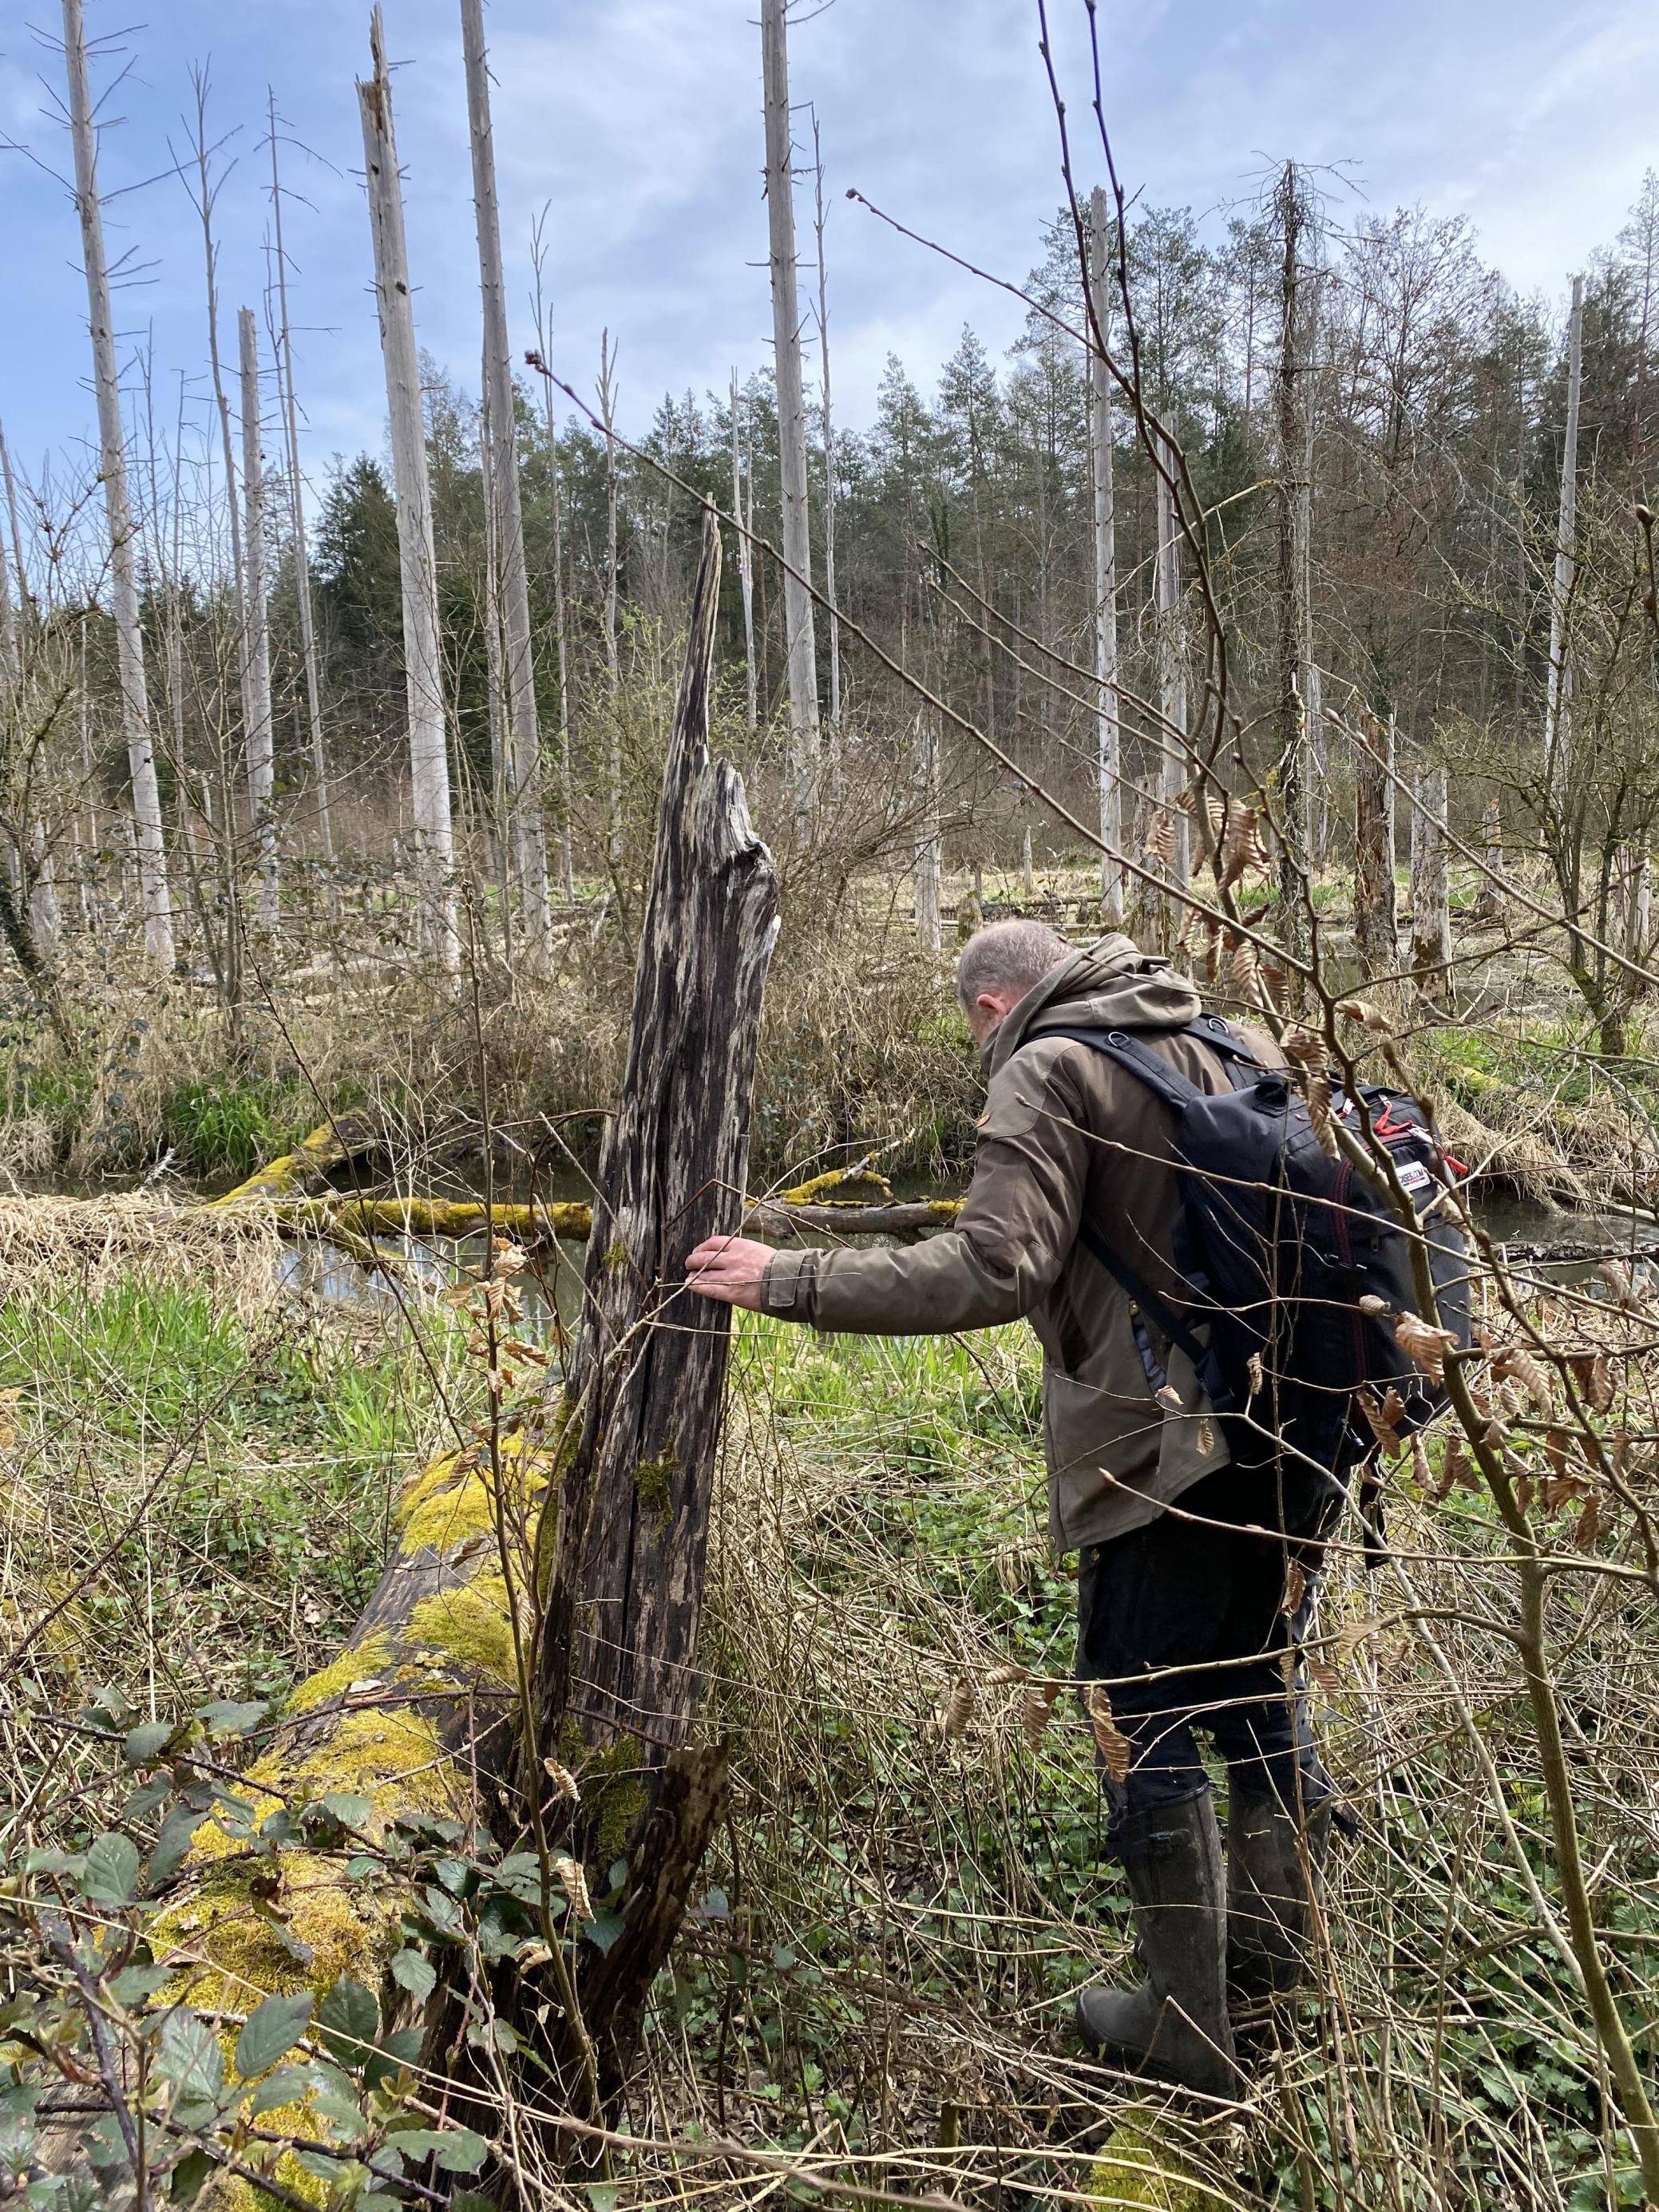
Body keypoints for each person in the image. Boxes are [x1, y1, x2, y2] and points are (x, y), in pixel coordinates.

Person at [687, 920, 1336, 2100]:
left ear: (990, 1010)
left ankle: (1185, 2028)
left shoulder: (1047, 1067)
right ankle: (1280, 1970)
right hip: (1299, 1432)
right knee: (1252, 1682)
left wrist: (785, 1278)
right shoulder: (1219, 1036)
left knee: (1132, 1710)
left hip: (1166, 1453)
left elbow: (992, 1267)